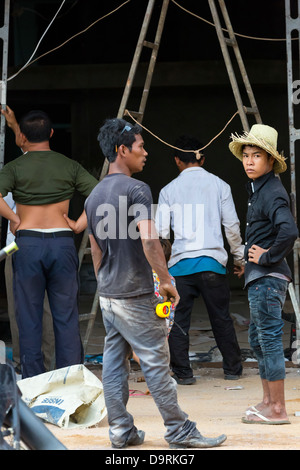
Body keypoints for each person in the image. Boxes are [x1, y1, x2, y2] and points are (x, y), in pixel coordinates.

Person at [85, 118, 227, 449]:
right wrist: (165, 280)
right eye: (140, 147)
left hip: (109, 294)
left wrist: (105, 283)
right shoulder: (137, 189)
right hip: (135, 294)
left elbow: (95, 250)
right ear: (122, 150)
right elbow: (150, 240)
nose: (145, 153)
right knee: (156, 363)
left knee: (114, 364)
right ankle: (179, 430)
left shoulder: (94, 195)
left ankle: (121, 431)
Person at [0, 106, 98, 378]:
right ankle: (70, 381)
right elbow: (101, 194)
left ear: (23, 138)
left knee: (29, 317)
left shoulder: (15, 167)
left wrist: (14, 218)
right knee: (65, 316)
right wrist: (79, 223)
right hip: (62, 243)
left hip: (28, 244)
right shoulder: (69, 165)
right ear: (52, 133)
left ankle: (33, 383)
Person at [155, 135, 244, 384]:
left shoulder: (168, 190)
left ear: (176, 160)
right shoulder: (220, 185)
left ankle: (184, 374)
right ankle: (233, 370)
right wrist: (239, 258)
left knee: (178, 321)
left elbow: (161, 234)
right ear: (202, 158)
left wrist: (160, 270)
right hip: (212, 264)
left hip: (180, 268)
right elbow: (232, 226)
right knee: (221, 318)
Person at [229, 123, 298, 424]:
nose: (249, 161)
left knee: (268, 339)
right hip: (260, 276)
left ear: (271, 161)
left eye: (257, 155)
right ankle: (268, 401)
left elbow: (289, 230)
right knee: (258, 339)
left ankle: (278, 409)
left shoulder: (272, 192)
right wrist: (250, 259)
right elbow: (267, 231)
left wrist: (267, 257)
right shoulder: (260, 190)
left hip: (268, 279)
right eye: (246, 155)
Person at [4, 192, 55, 373]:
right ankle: (48, 364)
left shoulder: (14, 176)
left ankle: (24, 363)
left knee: (20, 307)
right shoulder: (55, 174)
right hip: (49, 242)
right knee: (46, 308)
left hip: (18, 245)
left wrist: (14, 219)